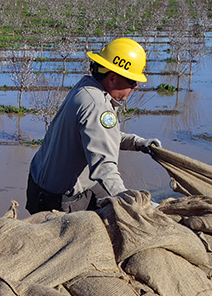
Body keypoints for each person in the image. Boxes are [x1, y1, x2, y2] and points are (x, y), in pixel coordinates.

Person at [26, 38, 161, 215]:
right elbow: (104, 167)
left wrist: (138, 142)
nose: (135, 86)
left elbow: (99, 136)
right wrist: (131, 204)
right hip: (58, 199)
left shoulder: (86, 87)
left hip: (40, 184)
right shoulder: (97, 106)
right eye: (131, 81)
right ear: (112, 78)